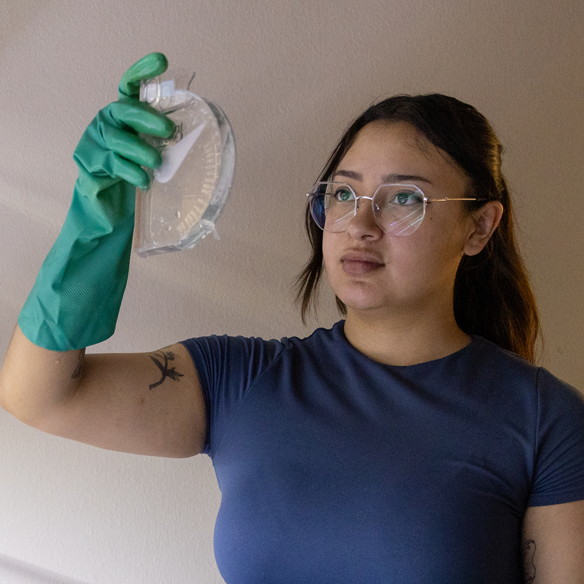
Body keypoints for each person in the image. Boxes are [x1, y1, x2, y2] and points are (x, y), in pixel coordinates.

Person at [1, 53, 583, 584]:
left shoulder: (545, 421)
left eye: (405, 198)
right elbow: (40, 395)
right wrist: (94, 221)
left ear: (480, 227)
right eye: (344, 194)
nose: (360, 223)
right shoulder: (239, 378)